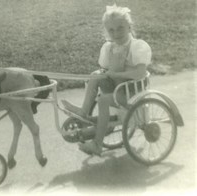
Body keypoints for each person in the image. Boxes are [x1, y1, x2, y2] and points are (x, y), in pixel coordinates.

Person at [62, 4, 152, 156]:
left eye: (120, 28)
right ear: (106, 31)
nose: (116, 33)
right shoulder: (108, 47)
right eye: (111, 30)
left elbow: (140, 73)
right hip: (116, 88)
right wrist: (103, 74)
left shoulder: (137, 46)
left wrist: (117, 75)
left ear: (129, 27)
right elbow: (105, 69)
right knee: (95, 74)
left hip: (131, 93)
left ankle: (97, 144)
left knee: (103, 99)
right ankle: (84, 112)